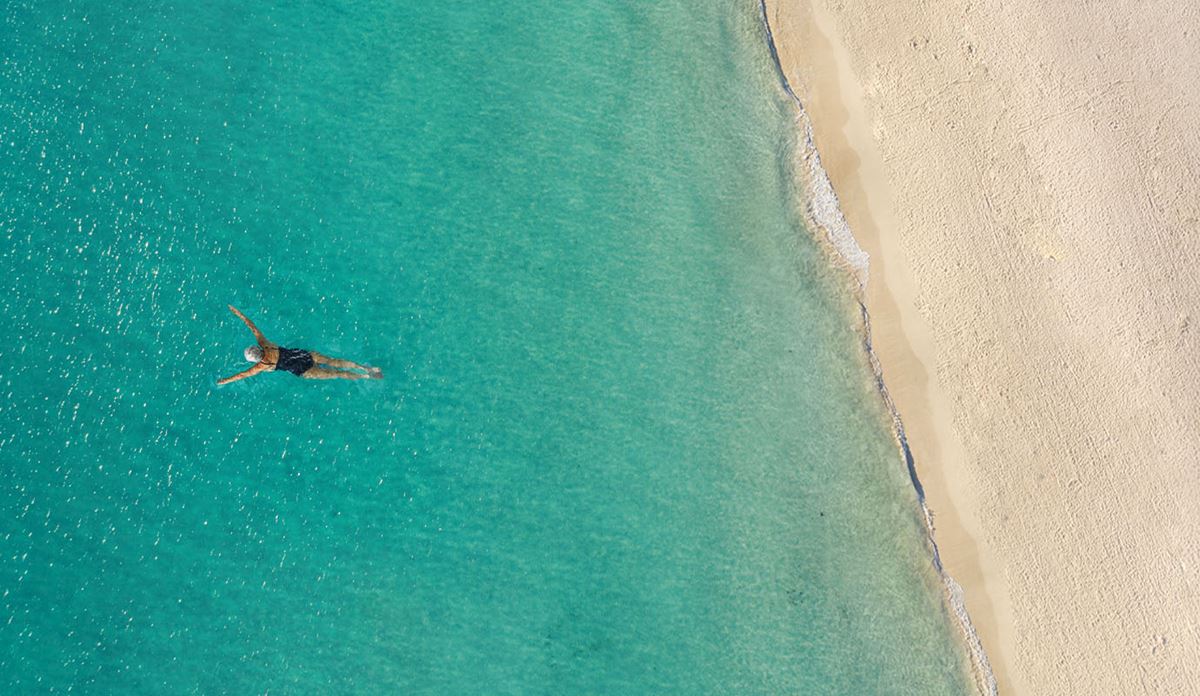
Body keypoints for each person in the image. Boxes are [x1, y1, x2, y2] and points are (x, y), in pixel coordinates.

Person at [217, 305, 382, 385]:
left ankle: (366, 377)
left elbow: (242, 375)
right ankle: (368, 368)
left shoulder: (261, 366)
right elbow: (252, 326)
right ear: (257, 348)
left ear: (255, 359)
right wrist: (238, 313)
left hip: (302, 370)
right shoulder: (266, 344)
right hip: (301, 355)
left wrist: (224, 381)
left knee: (336, 373)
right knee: (334, 361)